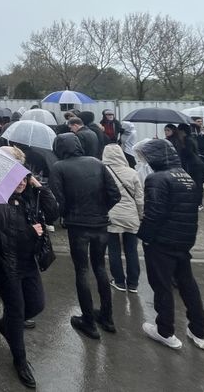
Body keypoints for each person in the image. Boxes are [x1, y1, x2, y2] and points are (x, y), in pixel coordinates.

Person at [0, 146, 58, 389]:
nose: (21, 182)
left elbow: (53, 212)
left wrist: (37, 185)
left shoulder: (26, 195)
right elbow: (1, 234)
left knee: (36, 304)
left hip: (28, 261)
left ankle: (6, 326)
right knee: (16, 309)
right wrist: (29, 232)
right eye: (15, 177)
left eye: (23, 175)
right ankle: (20, 360)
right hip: (5, 265)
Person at [137, 139, 204, 351]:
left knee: (161, 285)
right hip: (183, 240)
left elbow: (154, 213)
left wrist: (145, 236)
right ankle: (200, 331)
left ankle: (165, 330)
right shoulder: (186, 176)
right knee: (188, 284)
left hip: (161, 241)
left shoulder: (156, 179)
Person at [48, 133, 121, 340]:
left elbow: (58, 201)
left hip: (77, 226)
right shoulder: (97, 163)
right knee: (100, 268)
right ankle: (107, 317)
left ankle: (88, 320)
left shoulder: (59, 167)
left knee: (81, 270)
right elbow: (115, 194)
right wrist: (100, 211)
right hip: (100, 224)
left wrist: (64, 216)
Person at [102, 144, 144, 293]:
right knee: (131, 250)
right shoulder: (132, 172)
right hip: (130, 215)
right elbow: (139, 198)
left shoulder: (103, 171)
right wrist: (140, 214)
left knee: (114, 249)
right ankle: (133, 283)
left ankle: (119, 281)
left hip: (111, 214)